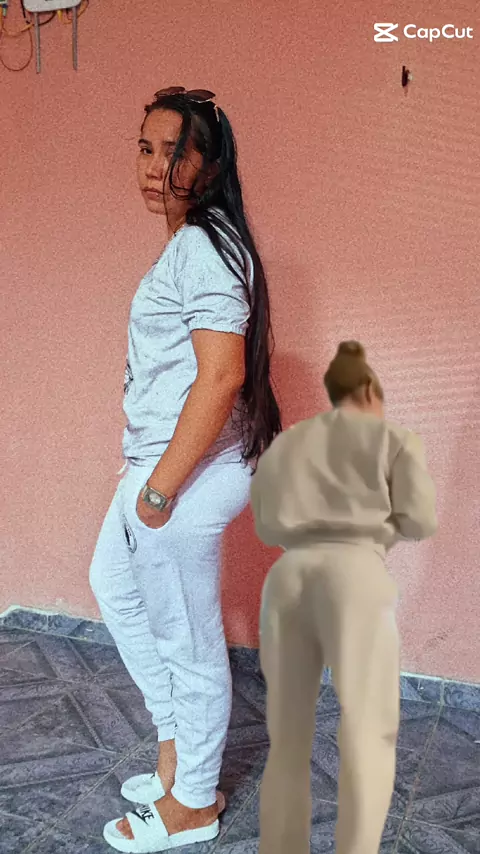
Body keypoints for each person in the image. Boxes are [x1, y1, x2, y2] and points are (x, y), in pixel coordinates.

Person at [89, 86, 281, 853]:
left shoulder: (203, 244)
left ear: (209, 164)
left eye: (176, 152)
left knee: (189, 639)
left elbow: (222, 374)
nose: (156, 167)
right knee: (114, 584)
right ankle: (177, 753)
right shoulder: (198, 241)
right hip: (166, 460)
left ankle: (195, 803)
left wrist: (161, 488)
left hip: (186, 470)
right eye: (146, 148)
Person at [249, 341, 438, 854]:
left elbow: (266, 524)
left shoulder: (292, 441)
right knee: (369, 733)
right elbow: (420, 521)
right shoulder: (398, 443)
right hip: (359, 585)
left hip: (290, 583)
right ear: (371, 391)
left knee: (288, 738)